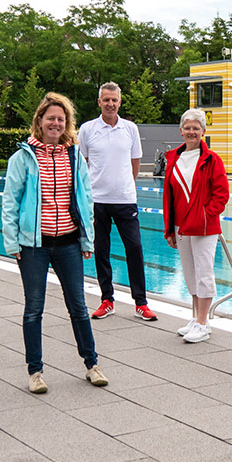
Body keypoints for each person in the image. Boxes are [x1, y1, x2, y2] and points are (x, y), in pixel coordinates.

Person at [2, 92, 108, 393]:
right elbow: (10, 201)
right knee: (34, 308)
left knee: (78, 306)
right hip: (34, 244)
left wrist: (88, 239)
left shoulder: (74, 156)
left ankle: (92, 364)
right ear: (40, 120)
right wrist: (12, 243)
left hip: (69, 242)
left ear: (67, 123)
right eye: (51, 118)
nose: (56, 123)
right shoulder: (23, 157)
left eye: (61, 119)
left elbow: (86, 199)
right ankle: (35, 371)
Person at [78, 82, 157, 322]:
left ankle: (141, 302)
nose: (110, 104)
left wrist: (123, 185)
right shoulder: (87, 129)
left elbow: (134, 164)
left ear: (120, 102)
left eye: (114, 100)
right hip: (97, 200)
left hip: (125, 200)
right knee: (102, 251)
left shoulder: (130, 129)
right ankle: (107, 299)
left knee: (134, 248)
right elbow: (83, 165)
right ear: (99, 102)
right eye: (106, 100)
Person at [162, 109, 229, 343]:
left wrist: (204, 215)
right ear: (181, 131)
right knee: (190, 274)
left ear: (203, 131)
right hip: (181, 226)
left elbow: (221, 195)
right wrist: (169, 228)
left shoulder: (212, 160)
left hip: (203, 227)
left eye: (196, 128)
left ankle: (203, 322)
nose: (191, 132)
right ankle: (196, 318)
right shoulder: (174, 158)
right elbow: (169, 196)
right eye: (188, 128)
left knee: (204, 272)